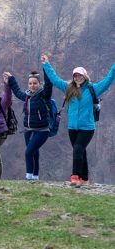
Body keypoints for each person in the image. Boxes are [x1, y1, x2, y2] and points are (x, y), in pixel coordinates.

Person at [42, 54, 115, 185]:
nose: (78, 77)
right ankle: (85, 179)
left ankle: (75, 177)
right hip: (72, 127)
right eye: (75, 75)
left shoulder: (94, 89)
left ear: (85, 76)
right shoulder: (68, 88)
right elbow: (54, 79)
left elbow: (108, 79)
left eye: (80, 75)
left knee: (77, 149)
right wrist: (46, 64)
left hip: (87, 127)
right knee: (81, 151)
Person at [7, 65, 53, 181]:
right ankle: (35, 177)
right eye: (30, 83)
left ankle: (28, 177)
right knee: (34, 153)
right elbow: (17, 92)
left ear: (39, 84)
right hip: (28, 130)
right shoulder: (27, 96)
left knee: (28, 152)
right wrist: (11, 79)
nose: (32, 85)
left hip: (42, 130)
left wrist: (45, 68)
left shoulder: (44, 95)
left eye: (35, 83)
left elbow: (49, 85)